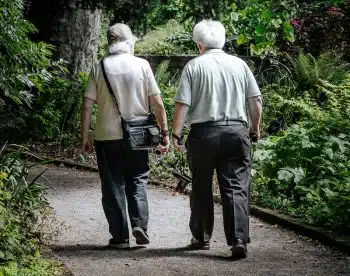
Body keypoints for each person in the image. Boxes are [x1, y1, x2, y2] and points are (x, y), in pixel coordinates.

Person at [172, 20, 262, 259]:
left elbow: (183, 104)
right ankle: (238, 239)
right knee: (235, 187)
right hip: (236, 131)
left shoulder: (193, 66)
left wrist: (176, 134)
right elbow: (255, 100)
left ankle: (201, 237)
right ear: (223, 41)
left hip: (203, 135)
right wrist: (255, 129)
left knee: (201, 185)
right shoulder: (240, 65)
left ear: (198, 44)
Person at [81, 23, 169, 249]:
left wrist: (84, 136)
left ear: (110, 43)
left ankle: (120, 236)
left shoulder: (98, 67)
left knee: (112, 185)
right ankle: (140, 225)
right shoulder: (142, 65)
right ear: (129, 42)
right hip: (138, 136)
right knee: (138, 180)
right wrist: (164, 132)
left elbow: (87, 105)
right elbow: (157, 102)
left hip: (106, 137)